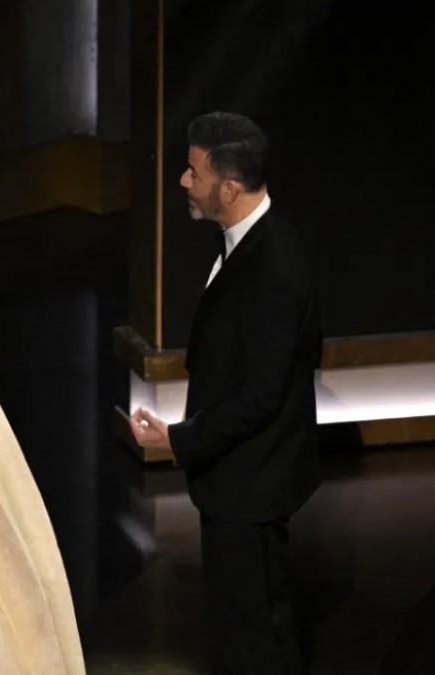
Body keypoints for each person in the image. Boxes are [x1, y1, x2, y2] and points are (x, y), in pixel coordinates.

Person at [128, 111, 322, 674]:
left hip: (252, 484)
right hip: (239, 477)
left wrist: (180, 438)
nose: (183, 181)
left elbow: (260, 395)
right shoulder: (251, 241)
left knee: (255, 631)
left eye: (194, 173)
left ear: (229, 188)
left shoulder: (274, 267)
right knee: (243, 623)